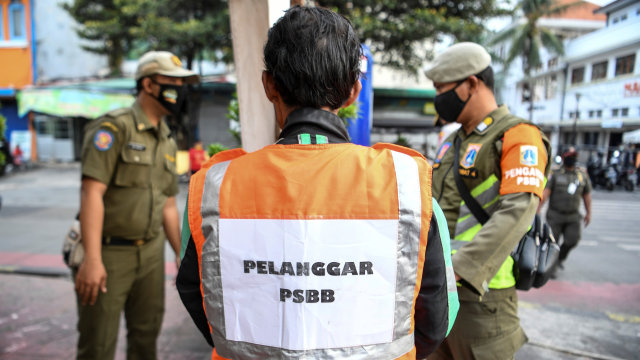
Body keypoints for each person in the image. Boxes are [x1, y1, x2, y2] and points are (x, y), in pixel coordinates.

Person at [177, 6, 457, 360]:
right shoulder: (407, 188)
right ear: (354, 90)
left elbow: (195, 292)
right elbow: (437, 320)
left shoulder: (215, 188)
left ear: (268, 85)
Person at [425, 42, 551, 359]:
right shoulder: (453, 141)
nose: (438, 97)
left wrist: (458, 269)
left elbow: (518, 210)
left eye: (443, 88)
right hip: (439, 293)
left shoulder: (518, 136)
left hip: (483, 297)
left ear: (471, 84)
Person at [75, 50, 199, 360]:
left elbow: (168, 206)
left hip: (150, 254)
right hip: (108, 252)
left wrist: (183, 259)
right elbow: (91, 193)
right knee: (98, 345)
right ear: (148, 85)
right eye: (172, 81)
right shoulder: (115, 129)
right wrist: (91, 259)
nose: (179, 89)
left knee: (146, 339)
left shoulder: (168, 140)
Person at [538, 147, 592, 273]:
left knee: (573, 240)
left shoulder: (582, 175)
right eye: (569, 156)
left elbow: (587, 196)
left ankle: (560, 259)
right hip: (555, 215)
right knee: (552, 243)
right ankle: (552, 266)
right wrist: (538, 209)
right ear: (564, 157)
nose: (572, 159)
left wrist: (589, 213)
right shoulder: (555, 174)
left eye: (574, 156)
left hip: (573, 216)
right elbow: (546, 193)